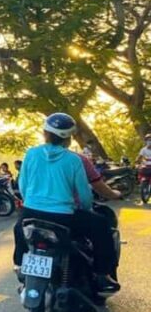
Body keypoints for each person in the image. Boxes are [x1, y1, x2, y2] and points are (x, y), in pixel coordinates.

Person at [13, 112, 119, 292]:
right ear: (68, 138)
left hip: (30, 212)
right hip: (63, 217)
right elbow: (84, 194)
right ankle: (102, 275)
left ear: (45, 133)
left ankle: (20, 266)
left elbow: (23, 185)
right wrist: (85, 209)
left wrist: (30, 202)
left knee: (19, 229)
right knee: (101, 226)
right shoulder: (74, 160)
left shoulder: (31, 154)